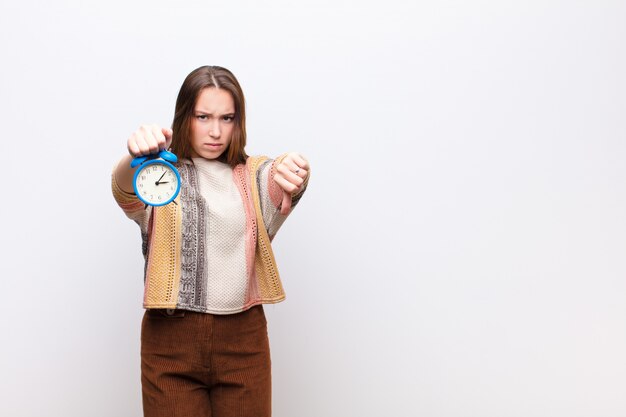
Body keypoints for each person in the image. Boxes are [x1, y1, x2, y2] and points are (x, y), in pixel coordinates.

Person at [111, 65, 310, 417]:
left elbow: (280, 180)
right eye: (203, 116)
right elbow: (124, 188)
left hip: (243, 342)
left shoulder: (253, 175)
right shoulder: (159, 175)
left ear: (238, 122)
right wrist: (133, 154)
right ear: (185, 116)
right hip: (170, 343)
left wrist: (296, 169)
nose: (216, 131)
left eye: (227, 118)